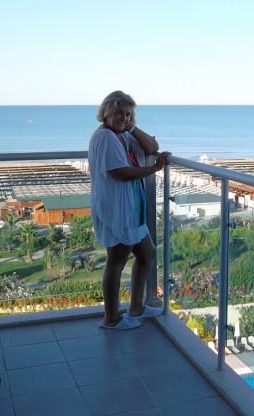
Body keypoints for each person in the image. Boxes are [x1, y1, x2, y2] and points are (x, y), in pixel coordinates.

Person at [88, 91, 171, 329]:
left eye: (128, 114)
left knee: (147, 254)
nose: (123, 118)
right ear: (106, 112)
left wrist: (131, 127)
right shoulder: (105, 137)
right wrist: (154, 169)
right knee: (116, 261)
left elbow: (152, 147)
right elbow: (120, 172)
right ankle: (111, 318)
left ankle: (136, 307)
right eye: (119, 113)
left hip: (132, 210)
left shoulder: (122, 135)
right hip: (117, 210)